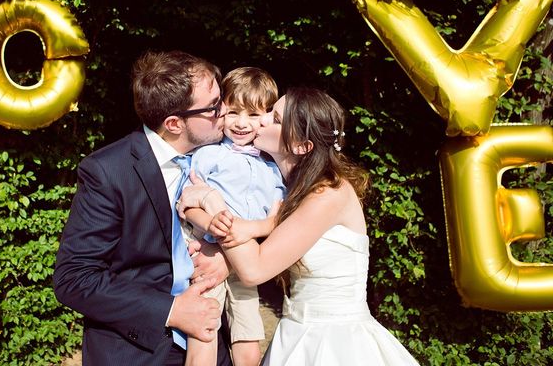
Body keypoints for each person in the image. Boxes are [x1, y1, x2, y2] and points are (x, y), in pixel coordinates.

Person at [179, 87, 420, 365]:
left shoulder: (328, 193)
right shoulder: (285, 189)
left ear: (301, 146)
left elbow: (254, 268)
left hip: (335, 341)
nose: (263, 119)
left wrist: (212, 202)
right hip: (295, 332)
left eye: (276, 118)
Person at [53, 50, 234, 366]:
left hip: (211, 344)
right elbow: (75, 277)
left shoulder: (229, 158)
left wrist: (227, 257)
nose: (225, 111)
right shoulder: (108, 172)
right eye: (214, 107)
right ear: (175, 123)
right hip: (139, 351)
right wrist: (171, 310)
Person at [180, 67, 286, 366]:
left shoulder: (271, 166)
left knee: (249, 338)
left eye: (253, 115)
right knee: (203, 334)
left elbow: (277, 218)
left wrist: (251, 231)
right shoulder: (208, 155)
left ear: (266, 117)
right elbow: (188, 203)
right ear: (221, 111)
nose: (241, 123)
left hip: (245, 259)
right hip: (205, 251)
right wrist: (209, 223)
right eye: (234, 112)